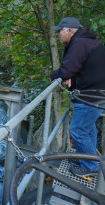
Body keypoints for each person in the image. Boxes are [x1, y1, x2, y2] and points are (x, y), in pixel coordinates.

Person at [50, 17, 105, 177]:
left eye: (60, 31)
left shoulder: (79, 43)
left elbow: (66, 70)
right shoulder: (87, 41)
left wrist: (54, 76)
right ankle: (87, 160)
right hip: (97, 93)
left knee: (78, 130)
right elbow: (86, 69)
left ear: (69, 30)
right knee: (87, 128)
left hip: (90, 96)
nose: (58, 34)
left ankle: (90, 167)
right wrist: (72, 78)